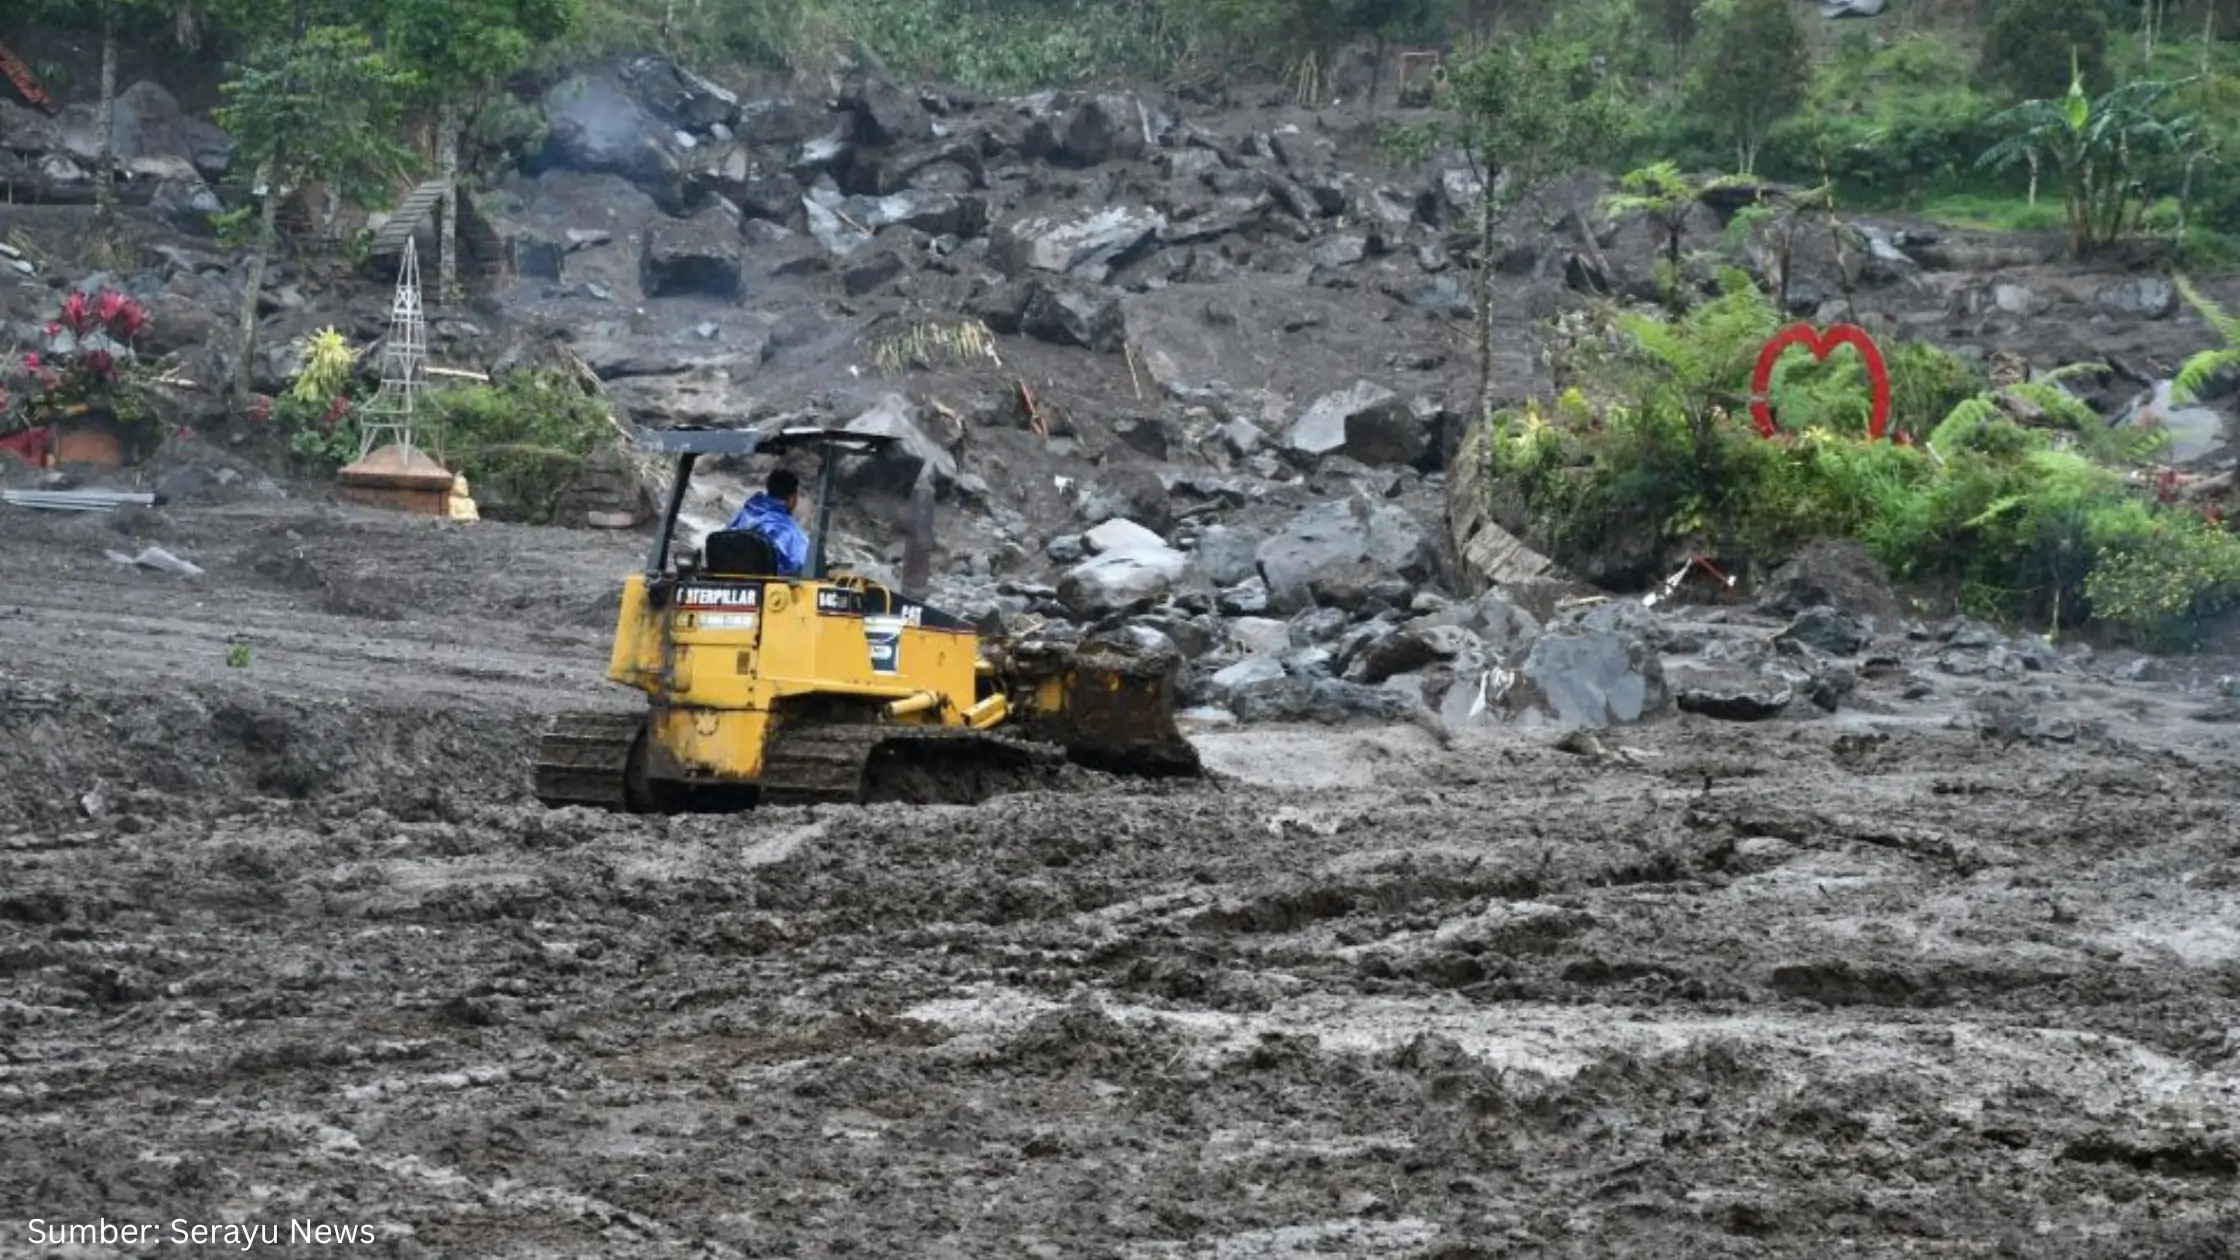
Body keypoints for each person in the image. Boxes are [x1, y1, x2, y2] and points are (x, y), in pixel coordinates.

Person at [727, 467, 810, 576]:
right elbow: (803, 566)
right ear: (792, 498)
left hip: (732, 581)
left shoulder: (740, 517)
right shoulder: (788, 529)